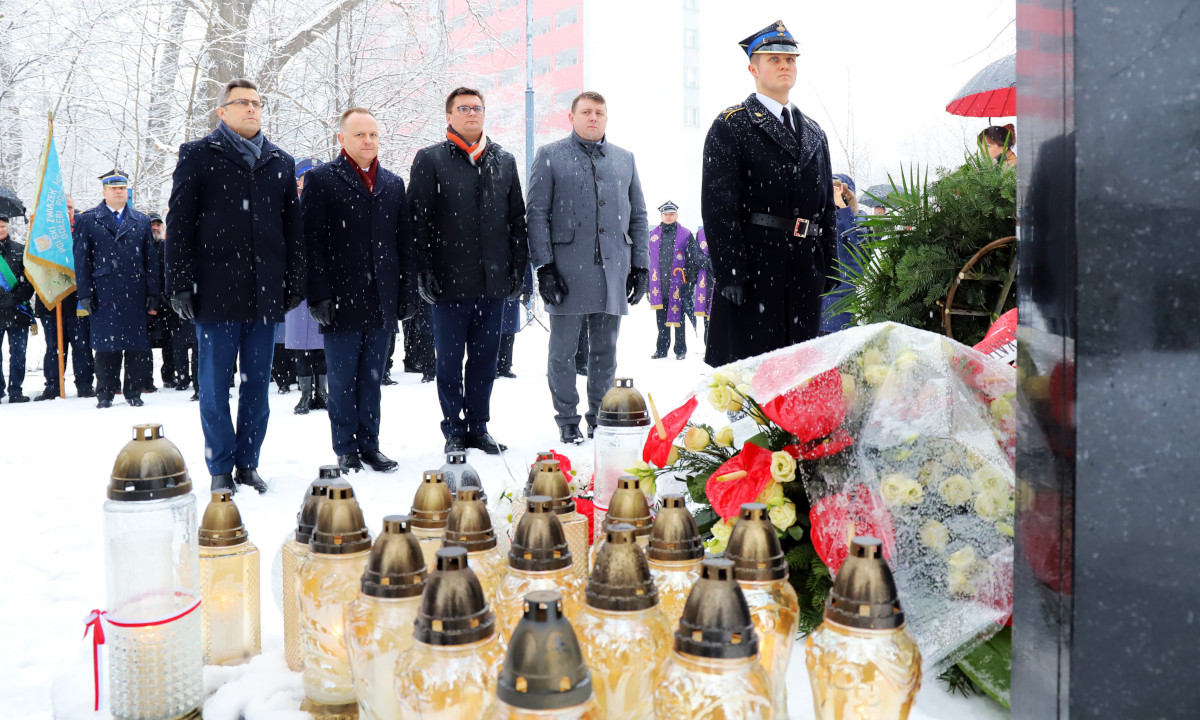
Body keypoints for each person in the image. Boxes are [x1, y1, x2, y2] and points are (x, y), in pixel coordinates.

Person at [166, 78, 305, 494]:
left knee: (257, 386)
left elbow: (293, 230)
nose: (251, 108)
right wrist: (179, 282)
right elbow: (179, 224)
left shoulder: (280, 161)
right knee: (213, 386)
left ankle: (248, 463)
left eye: (257, 103)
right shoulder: (198, 155)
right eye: (242, 102)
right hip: (214, 292)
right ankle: (221, 467)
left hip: (265, 293)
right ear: (222, 112)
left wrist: (294, 280)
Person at [701, 20, 836, 367]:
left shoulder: (815, 132)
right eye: (773, 59)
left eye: (790, 59)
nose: (784, 65)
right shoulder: (732, 125)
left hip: (805, 268)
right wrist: (730, 270)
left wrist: (830, 264)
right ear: (753, 69)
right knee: (752, 373)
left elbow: (826, 207)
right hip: (756, 268)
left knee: (800, 372)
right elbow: (719, 207)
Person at [409, 86, 528, 455]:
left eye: (477, 107)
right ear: (449, 116)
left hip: (493, 283)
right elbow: (417, 220)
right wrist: (423, 269)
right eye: (463, 108)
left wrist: (518, 270)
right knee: (447, 362)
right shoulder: (431, 159)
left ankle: (478, 426)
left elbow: (516, 219)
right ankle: (453, 428)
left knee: (484, 360)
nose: (472, 113)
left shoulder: (503, 160)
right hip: (448, 282)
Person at [527, 90, 650, 444]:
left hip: (614, 270)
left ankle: (600, 414)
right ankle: (567, 418)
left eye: (599, 112)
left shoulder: (625, 159)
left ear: (606, 118)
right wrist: (544, 267)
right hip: (566, 272)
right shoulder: (550, 155)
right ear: (572, 117)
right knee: (562, 352)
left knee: (605, 351)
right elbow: (536, 214)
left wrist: (640, 266)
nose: (593, 117)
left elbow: (639, 216)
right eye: (586, 112)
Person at [305, 107, 417, 473]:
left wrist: (407, 291)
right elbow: (311, 243)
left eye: (373, 135)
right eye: (359, 135)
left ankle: (370, 444)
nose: (368, 141)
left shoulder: (392, 184)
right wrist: (318, 294)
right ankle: (346, 447)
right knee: (342, 380)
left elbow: (404, 244)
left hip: (382, 299)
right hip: (340, 299)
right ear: (342, 138)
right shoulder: (322, 180)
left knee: (372, 378)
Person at [73, 170, 159, 409]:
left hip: (135, 290)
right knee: (106, 347)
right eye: (113, 188)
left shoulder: (141, 220)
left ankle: (133, 392)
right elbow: (82, 260)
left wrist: (153, 291)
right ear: (104, 192)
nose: (119, 192)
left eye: (122, 188)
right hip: (104, 291)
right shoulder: (88, 219)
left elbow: (150, 259)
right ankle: (105, 393)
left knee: (136, 346)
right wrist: (85, 293)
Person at [34, 194, 96, 401]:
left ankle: (85, 385)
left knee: (82, 346)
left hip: (78, 300)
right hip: (52, 300)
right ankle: (53, 385)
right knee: (54, 347)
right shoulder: (44, 234)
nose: (66, 210)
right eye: (62, 207)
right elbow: (36, 266)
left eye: (69, 206)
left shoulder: (83, 232)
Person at [285, 157, 328, 415]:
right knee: (300, 343)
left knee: (323, 343)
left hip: (323, 282)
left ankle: (322, 392)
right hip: (299, 284)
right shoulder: (290, 209)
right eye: (304, 177)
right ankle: (304, 394)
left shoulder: (329, 207)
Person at [648, 200, 700, 360]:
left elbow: (692, 260)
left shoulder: (686, 234)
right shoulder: (652, 235)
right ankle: (661, 349)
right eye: (665, 214)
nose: (668, 217)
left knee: (679, 321)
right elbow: (646, 260)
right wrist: (647, 285)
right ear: (661, 215)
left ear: (676, 215)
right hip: (659, 285)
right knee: (661, 321)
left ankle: (680, 350)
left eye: (671, 214)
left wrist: (690, 282)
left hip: (679, 284)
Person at [820, 173, 867, 334]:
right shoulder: (823, 220)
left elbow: (856, 241)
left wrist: (843, 208)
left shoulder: (858, 219)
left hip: (842, 300)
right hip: (821, 300)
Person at [0, 214, 34, 403]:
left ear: (8, 227)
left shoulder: (21, 250)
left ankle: (16, 391)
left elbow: (30, 280)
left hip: (18, 311)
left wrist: (14, 298)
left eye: (3, 226)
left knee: (19, 354)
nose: (0, 230)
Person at [144, 212, 173, 391]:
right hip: (147, 304)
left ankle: (169, 377)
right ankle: (146, 381)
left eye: (158, 225)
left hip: (166, 303)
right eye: (152, 225)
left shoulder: (166, 246)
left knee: (169, 342)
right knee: (145, 344)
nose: (155, 228)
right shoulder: (141, 248)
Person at [496, 263, 532, 378]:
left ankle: (505, 365)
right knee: (492, 330)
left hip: (512, 288)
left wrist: (527, 289)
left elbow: (524, 262)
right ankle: (492, 365)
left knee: (508, 330)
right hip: (493, 287)